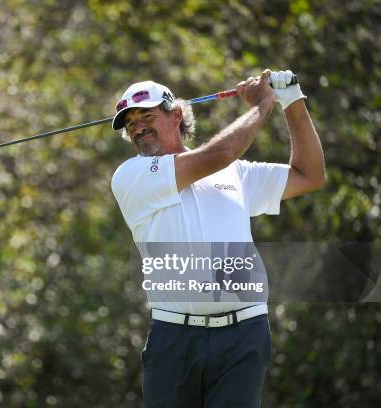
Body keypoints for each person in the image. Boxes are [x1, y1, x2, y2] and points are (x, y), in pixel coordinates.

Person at [110, 69, 325, 407]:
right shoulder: (131, 176)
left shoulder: (235, 174)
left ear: (177, 114)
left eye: (146, 115)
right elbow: (217, 155)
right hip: (175, 337)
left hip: (244, 334)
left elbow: (309, 175)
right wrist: (262, 104)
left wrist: (292, 102)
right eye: (130, 123)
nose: (138, 127)